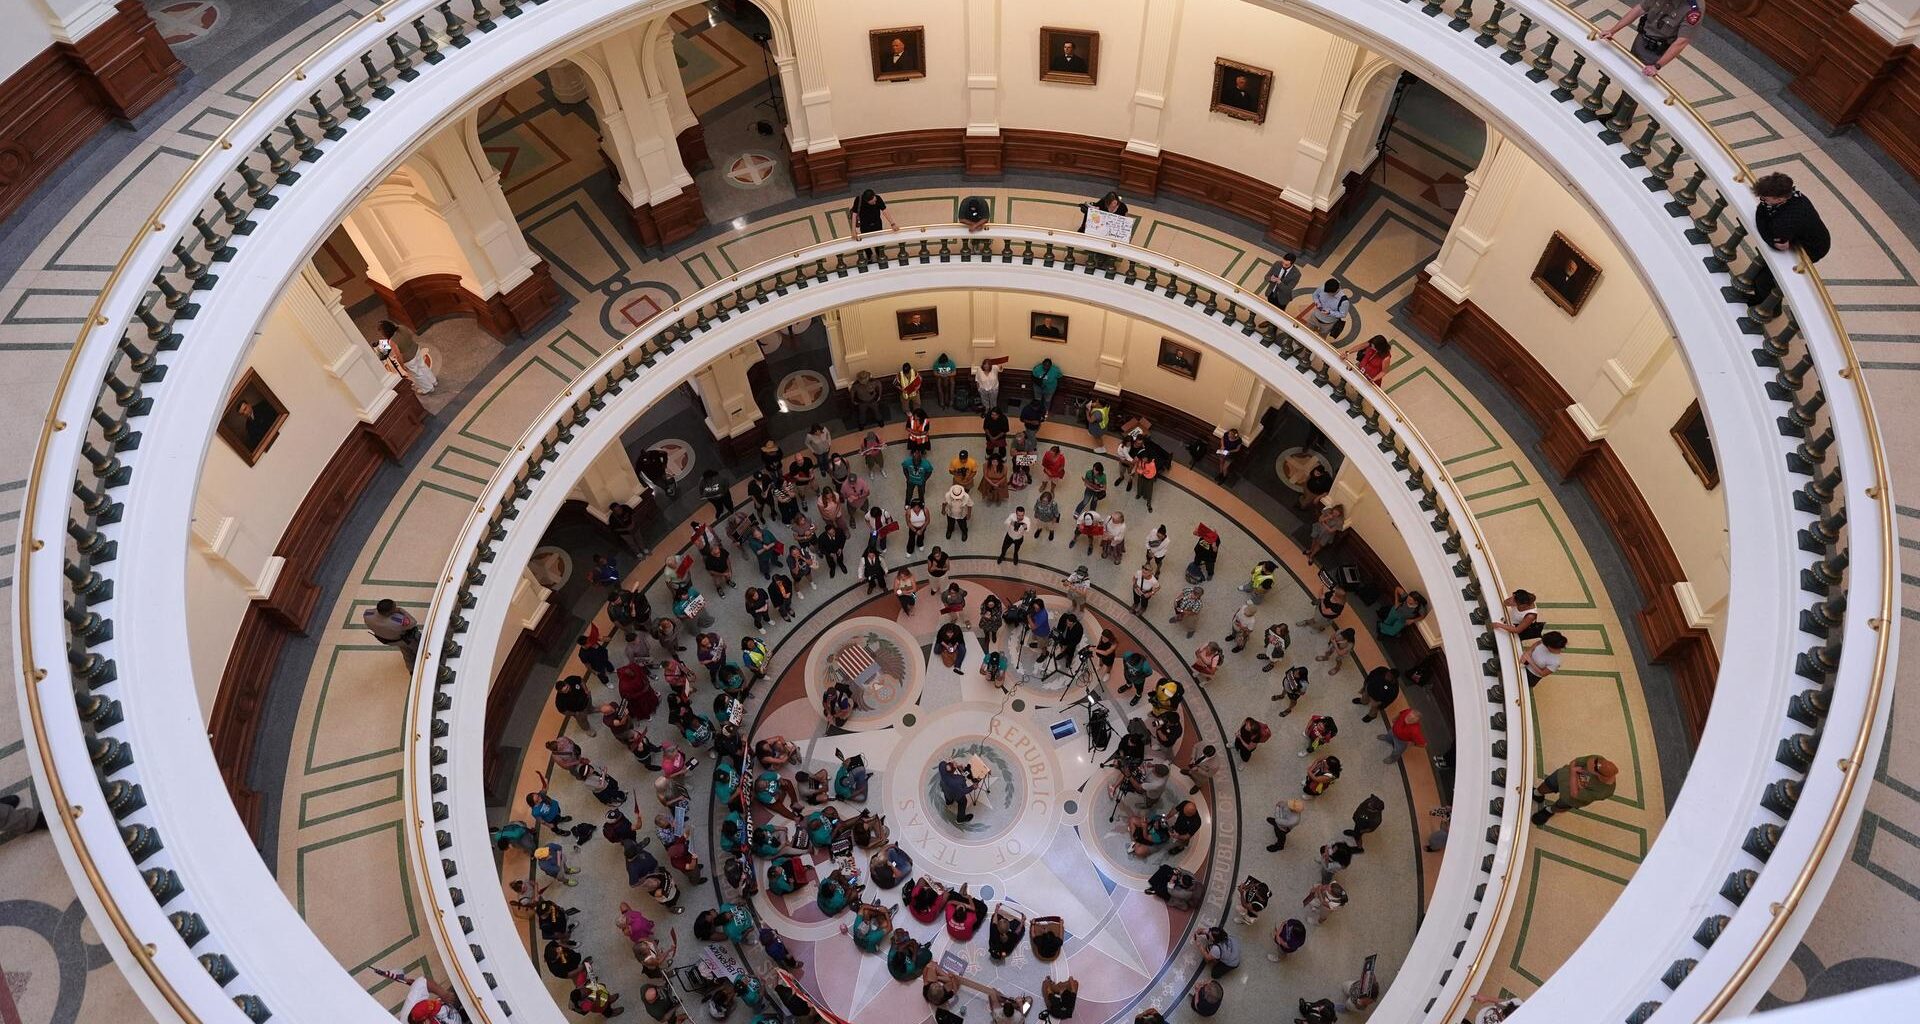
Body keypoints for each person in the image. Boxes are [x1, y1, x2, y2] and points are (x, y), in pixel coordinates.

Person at [1736, 171, 1831, 305]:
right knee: (1764, 273)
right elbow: (1762, 213)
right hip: (1799, 236)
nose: (1762, 201)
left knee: (1764, 279)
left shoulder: (1789, 218)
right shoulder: (1790, 198)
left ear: (1780, 199)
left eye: (1765, 198)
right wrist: (1766, 224)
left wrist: (1771, 236)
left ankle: (1769, 308)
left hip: (1813, 248)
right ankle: (1762, 297)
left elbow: (1775, 240)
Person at [1598, 0, 1706, 77]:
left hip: (1654, 52)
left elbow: (1682, 41)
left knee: (1635, 85)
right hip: (1641, 38)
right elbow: (1640, 9)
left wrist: (1657, 66)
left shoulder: (1694, 9)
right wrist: (1612, 31)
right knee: (1624, 71)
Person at [1534, 754, 1619, 825]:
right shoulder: (1596, 759)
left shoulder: (1604, 791)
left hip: (1571, 799)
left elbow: (1575, 794)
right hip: (1561, 776)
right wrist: (1577, 782)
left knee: (1561, 806)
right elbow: (1574, 762)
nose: (1591, 765)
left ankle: (1548, 811)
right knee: (1548, 784)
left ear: (1601, 776)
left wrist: (1573, 772)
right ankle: (1537, 793)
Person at [363, 599, 422, 667]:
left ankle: (411, 670)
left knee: (407, 654)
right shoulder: (398, 621)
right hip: (407, 640)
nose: (396, 608)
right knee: (420, 649)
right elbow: (413, 622)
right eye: (394, 607)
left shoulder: (367, 614)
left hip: (389, 640)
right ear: (389, 612)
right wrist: (401, 610)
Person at [849, 188, 897, 259]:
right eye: (873, 202)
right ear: (866, 201)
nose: (875, 202)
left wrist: (893, 224)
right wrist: (853, 230)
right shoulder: (858, 200)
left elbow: (884, 211)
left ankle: (879, 253)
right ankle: (869, 255)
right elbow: (854, 214)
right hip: (865, 225)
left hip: (877, 224)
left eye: (875, 200)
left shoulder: (878, 198)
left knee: (879, 241)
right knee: (865, 243)